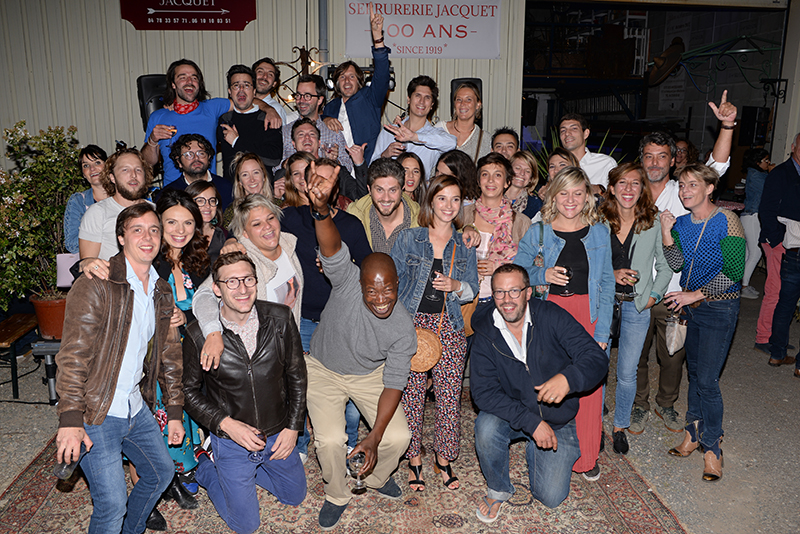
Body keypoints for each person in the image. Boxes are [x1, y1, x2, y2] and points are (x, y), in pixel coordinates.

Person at [55, 203, 183, 534]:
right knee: (112, 504)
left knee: (160, 473)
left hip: (134, 404)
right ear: (121, 237)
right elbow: (73, 355)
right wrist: (70, 420)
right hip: (95, 410)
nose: (148, 236)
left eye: (154, 229)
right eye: (137, 229)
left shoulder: (161, 289)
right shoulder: (96, 282)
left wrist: (175, 411)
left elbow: (169, 352)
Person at [303, 163, 416, 530]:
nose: (380, 298)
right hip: (324, 369)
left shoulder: (402, 327)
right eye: (372, 290)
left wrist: (373, 437)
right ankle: (337, 493)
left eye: (388, 289)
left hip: (370, 374)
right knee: (332, 440)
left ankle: (374, 478)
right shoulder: (348, 279)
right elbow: (332, 245)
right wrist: (321, 211)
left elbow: (394, 383)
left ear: (397, 284)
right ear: (360, 281)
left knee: (399, 436)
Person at [633, 92, 737, 434]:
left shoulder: (683, 191)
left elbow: (717, 167)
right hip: (634, 289)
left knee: (673, 356)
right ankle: (639, 403)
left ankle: (666, 403)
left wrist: (726, 125)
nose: (654, 162)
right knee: (634, 354)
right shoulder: (629, 192)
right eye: (648, 156)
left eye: (662, 156)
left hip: (674, 292)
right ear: (642, 159)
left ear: (672, 159)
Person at [183, 252, 307, 534]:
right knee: (246, 526)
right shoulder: (198, 335)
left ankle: (250, 472)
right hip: (231, 440)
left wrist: (292, 428)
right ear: (216, 289)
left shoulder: (280, 318)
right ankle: (205, 465)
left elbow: (297, 376)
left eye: (248, 279)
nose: (242, 289)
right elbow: (187, 391)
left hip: (276, 433)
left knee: (294, 496)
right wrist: (225, 425)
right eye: (232, 282)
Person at [471, 264, 608, 518]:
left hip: (558, 417)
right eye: (499, 293)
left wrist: (568, 379)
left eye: (514, 291)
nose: (506, 300)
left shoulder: (551, 316)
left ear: (528, 292)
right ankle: (498, 490)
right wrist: (532, 423)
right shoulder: (485, 332)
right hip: (513, 411)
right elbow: (482, 392)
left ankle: (537, 447)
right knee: (485, 428)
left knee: (551, 497)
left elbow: (595, 357)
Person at [514, 166, 614, 481]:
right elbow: (515, 273)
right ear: (553, 195)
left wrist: (602, 331)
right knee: (550, 380)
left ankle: (587, 456)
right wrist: (542, 274)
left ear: (587, 196)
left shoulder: (600, 230)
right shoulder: (538, 231)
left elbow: (608, 283)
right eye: (564, 192)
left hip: (589, 312)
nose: (570, 199)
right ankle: (547, 446)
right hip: (551, 313)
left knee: (590, 387)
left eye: (577, 192)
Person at [390, 174, 479, 492]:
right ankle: (414, 460)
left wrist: (456, 286)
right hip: (414, 327)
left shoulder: (464, 243)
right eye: (442, 198)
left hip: (450, 327)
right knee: (412, 398)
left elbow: (473, 290)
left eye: (455, 199)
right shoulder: (409, 238)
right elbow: (393, 283)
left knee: (448, 398)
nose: (448, 205)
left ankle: (445, 457)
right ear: (430, 201)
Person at [280, 158, 372, 460]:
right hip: (302, 320)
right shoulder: (287, 218)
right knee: (302, 385)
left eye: (328, 179)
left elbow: (370, 269)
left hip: (341, 322)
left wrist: (342, 265)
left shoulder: (350, 224)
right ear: (303, 183)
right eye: (315, 177)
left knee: (346, 385)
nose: (320, 184)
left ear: (335, 188)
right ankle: (302, 441)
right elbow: (251, 227)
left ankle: (347, 443)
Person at [660, 163, 744, 482]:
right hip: (691, 308)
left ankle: (713, 446)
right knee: (694, 374)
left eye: (692, 185)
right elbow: (677, 263)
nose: (684, 191)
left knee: (707, 381)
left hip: (718, 308)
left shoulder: (728, 220)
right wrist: (668, 232)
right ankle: (693, 433)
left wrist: (694, 294)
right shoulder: (681, 223)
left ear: (710, 188)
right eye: (681, 185)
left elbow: (734, 273)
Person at [597, 163, 671, 454]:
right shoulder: (597, 222)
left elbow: (664, 267)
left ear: (643, 189)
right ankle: (594, 426)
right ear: (612, 188)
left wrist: (652, 295)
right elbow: (589, 264)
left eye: (635, 183)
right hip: (603, 303)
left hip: (636, 307)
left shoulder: (651, 224)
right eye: (622, 183)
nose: (629, 189)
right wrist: (611, 274)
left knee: (627, 373)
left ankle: (619, 427)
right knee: (597, 368)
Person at [143, 59, 281, 187]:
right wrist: (152, 140)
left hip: (208, 193)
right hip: (174, 192)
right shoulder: (158, 117)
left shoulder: (212, 108)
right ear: (173, 84)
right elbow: (148, 163)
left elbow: (242, 99)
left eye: (194, 78)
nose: (189, 81)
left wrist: (269, 109)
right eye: (182, 77)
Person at [322, 4, 389, 164]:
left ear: (359, 82)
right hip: (337, 169)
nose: (347, 80)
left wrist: (377, 37)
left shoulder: (370, 98)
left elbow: (382, 74)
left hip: (366, 168)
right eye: (342, 77)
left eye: (352, 76)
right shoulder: (330, 107)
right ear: (336, 83)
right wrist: (324, 119)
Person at [462, 153, 531, 307]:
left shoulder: (521, 223)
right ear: (479, 181)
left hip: (504, 302)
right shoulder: (462, 215)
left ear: (507, 182)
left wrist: (499, 267)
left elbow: (530, 267)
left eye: (497, 175)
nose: (491, 180)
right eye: (485, 175)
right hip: (465, 300)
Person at [371, 75, 457, 181]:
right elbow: (371, 168)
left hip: (418, 195)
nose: (421, 101)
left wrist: (414, 137)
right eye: (417, 95)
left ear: (432, 105)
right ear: (409, 99)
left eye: (427, 98)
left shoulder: (433, 135)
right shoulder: (389, 131)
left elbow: (452, 143)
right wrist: (385, 155)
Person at [764, 134, 800, 374]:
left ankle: (779, 353)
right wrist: (776, 240)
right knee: (781, 300)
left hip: (792, 248)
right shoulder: (781, 173)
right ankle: (776, 352)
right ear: (793, 147)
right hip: (790, 247)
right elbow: (766, 208)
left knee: (784, 302)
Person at [79, 148, 153, 264]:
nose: (133, 175)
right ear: (112, 177)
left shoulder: (156, 211)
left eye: (138, 170)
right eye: (125, 170)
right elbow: (87, 264)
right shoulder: (98, 213)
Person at [217, 64, 284, 184]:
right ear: (230, 92)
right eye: (236, 85)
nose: (241, 89)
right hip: (231, 194)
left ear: (254, 92)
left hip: (261, 194)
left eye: (246, 85)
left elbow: (274, 159)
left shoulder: (268, 119)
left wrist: (237, 142)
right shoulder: (224, 120)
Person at [281, 74, 354, 172]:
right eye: (298, 95)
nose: (301, 100)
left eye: (307, 96)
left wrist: (335, 161)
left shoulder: (333, 132)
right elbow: (274, 167)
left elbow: (348, 165)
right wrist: (286, 164)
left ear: (320, 100)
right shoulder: (285, 131)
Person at [348, 158, 421, 253]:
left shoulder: (420, 220)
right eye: (379, 190)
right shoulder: (354, 215)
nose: (386, 198)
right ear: (369, 189)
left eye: (393, 190)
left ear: (402, 189)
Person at [162, 133, 234, 210]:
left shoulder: (227, 188)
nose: (196, 158)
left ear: (209, 157)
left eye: (201, 153)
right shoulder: (169, 194)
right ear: (179, 162)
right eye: (189, 155)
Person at [64, 145, 109, 254]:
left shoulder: (123, 196)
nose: (92, 169)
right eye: (86, 165)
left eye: (97, 163)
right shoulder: (77, 201)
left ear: (107, 166)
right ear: (83, 174)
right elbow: (72, 245)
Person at [739, 148, 771, 299]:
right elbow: (770, 189)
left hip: (750, 215)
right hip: (752, 216)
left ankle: (741, 284)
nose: (768, 163)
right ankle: (743, 286)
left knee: (747, 253)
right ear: (758, 162)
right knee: (756, 252)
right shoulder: (756, 175)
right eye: (766, 160)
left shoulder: (756, 173)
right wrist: (773, 173)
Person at [558, 112, 616, 193]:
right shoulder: (557, 166)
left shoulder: (605, 163)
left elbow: (616, 195)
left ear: (586, 133)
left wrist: (598, 189)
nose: (567, 133)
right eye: (563, 130)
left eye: (574, 128)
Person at [435, 80, 492, 161]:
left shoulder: (485, 139)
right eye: (459, 99)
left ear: (478, 105)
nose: (463, 103)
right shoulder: (439, 129)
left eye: (468, 99)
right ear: (454, 104)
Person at [220, 152, 274, 227]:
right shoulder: (232, 212)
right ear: (240, 182)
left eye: (256, 172)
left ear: (264, 176)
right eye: (245, 175)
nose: (252, 179)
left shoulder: (280, 206)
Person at [185, 181, 229, 266]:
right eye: (200, 201)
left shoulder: (223, 235)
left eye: (212, 201)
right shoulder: (182, 235)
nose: (208, 206)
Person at [507, 150, 544, 219]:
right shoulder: (494, 197)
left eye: (527, 171)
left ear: (531, 178)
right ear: (508, 170)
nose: (522, 173)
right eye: (518, 168)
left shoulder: (535, 205)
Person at [252, 57, 287, 123]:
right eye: (260, 72)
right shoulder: (240, 102)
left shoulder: (277, 110)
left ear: (274, 83)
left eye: (270, 74)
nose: (264, 76)